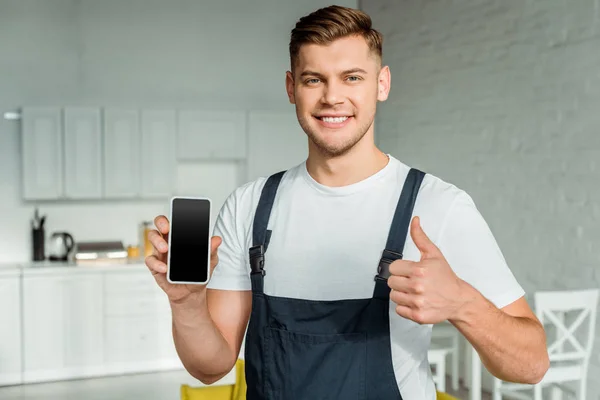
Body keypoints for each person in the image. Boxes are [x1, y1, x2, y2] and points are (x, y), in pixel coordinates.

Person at [145, 5, 549, 399]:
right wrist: (187, 302)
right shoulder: (249, 206)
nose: (332, 97)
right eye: (313, 79)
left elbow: (531, 365)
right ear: (291, 88)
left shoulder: (439, 205)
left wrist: (462, 302)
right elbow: (210, 367)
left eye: (352, 77)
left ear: (382, 83)